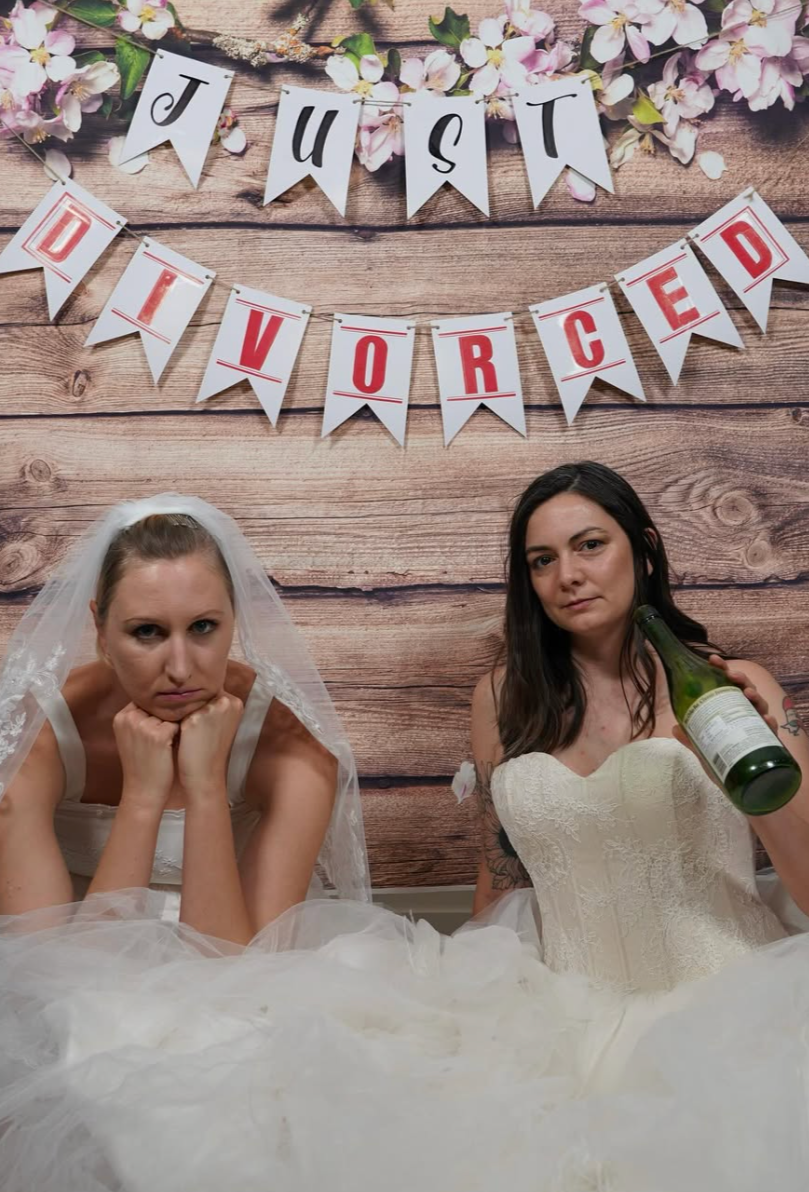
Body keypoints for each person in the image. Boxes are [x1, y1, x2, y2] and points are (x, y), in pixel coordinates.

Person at [1, 472, 809, 1192]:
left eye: (589, 545)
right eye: (540, 560)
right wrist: (466, 992)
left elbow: (802, 879)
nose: (566, 575)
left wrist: (762, 769)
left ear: (644, 548)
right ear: (102, 625)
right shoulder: (507, 699)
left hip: (722, 994)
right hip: (562, 995)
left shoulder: (727, 689)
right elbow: (502, 879)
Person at [0, 494, 371, 942]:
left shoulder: (291, 746)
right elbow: (51, 973)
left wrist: (207, 787)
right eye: (147, 631)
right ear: (99, 625)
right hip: (79, 974)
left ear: (236, 616)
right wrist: (141, 796)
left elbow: (239, 972)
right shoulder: (33, 739)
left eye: (202, 627)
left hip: (238, 983)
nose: (179, 668)